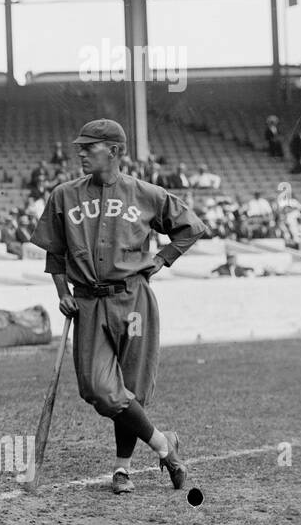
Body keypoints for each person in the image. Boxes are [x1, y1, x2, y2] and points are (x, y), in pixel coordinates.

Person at [31, 119, 203, 496]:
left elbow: (190, 227)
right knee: (98, 388)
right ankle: (163, 443)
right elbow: (54, 252)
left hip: (133, 299)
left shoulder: (146, 194)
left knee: (132, 390)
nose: (80, 153)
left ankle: (123, 469)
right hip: (88, 303)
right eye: (80, 147)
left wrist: (163, 258)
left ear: (114, 151)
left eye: (88, 147)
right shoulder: (64, 195)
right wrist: (61, 291)